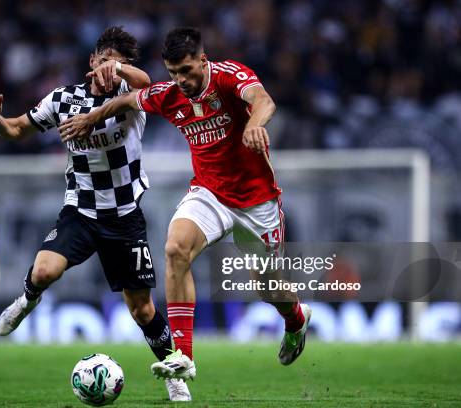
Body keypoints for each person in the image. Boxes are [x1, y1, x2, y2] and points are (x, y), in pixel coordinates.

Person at [59, 27, 312, 384]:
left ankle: (296, 319)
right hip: (209, 193)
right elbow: (127, 101)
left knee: (268, 288)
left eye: (187, 71)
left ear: (203, 61)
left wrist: (254, 124)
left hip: (257, 201)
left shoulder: (228, 77)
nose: (181, 80)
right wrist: (91, 117)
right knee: (175, 248)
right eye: (174, 72)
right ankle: (184, 358)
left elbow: (264, 100)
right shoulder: (169, 94)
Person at [0, 27, 191, 401]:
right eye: (105, 60)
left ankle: (173, 371)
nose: (111, 67)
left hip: (125, 216)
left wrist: (121, 71)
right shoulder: (62, 99)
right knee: (44, 270)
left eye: (119, 62)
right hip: (81, 210)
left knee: (142, 310)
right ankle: (27, 300)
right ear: (92, 61)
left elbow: (145, 81)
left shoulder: (129, 95)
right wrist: (0, 123)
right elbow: (18, 129)